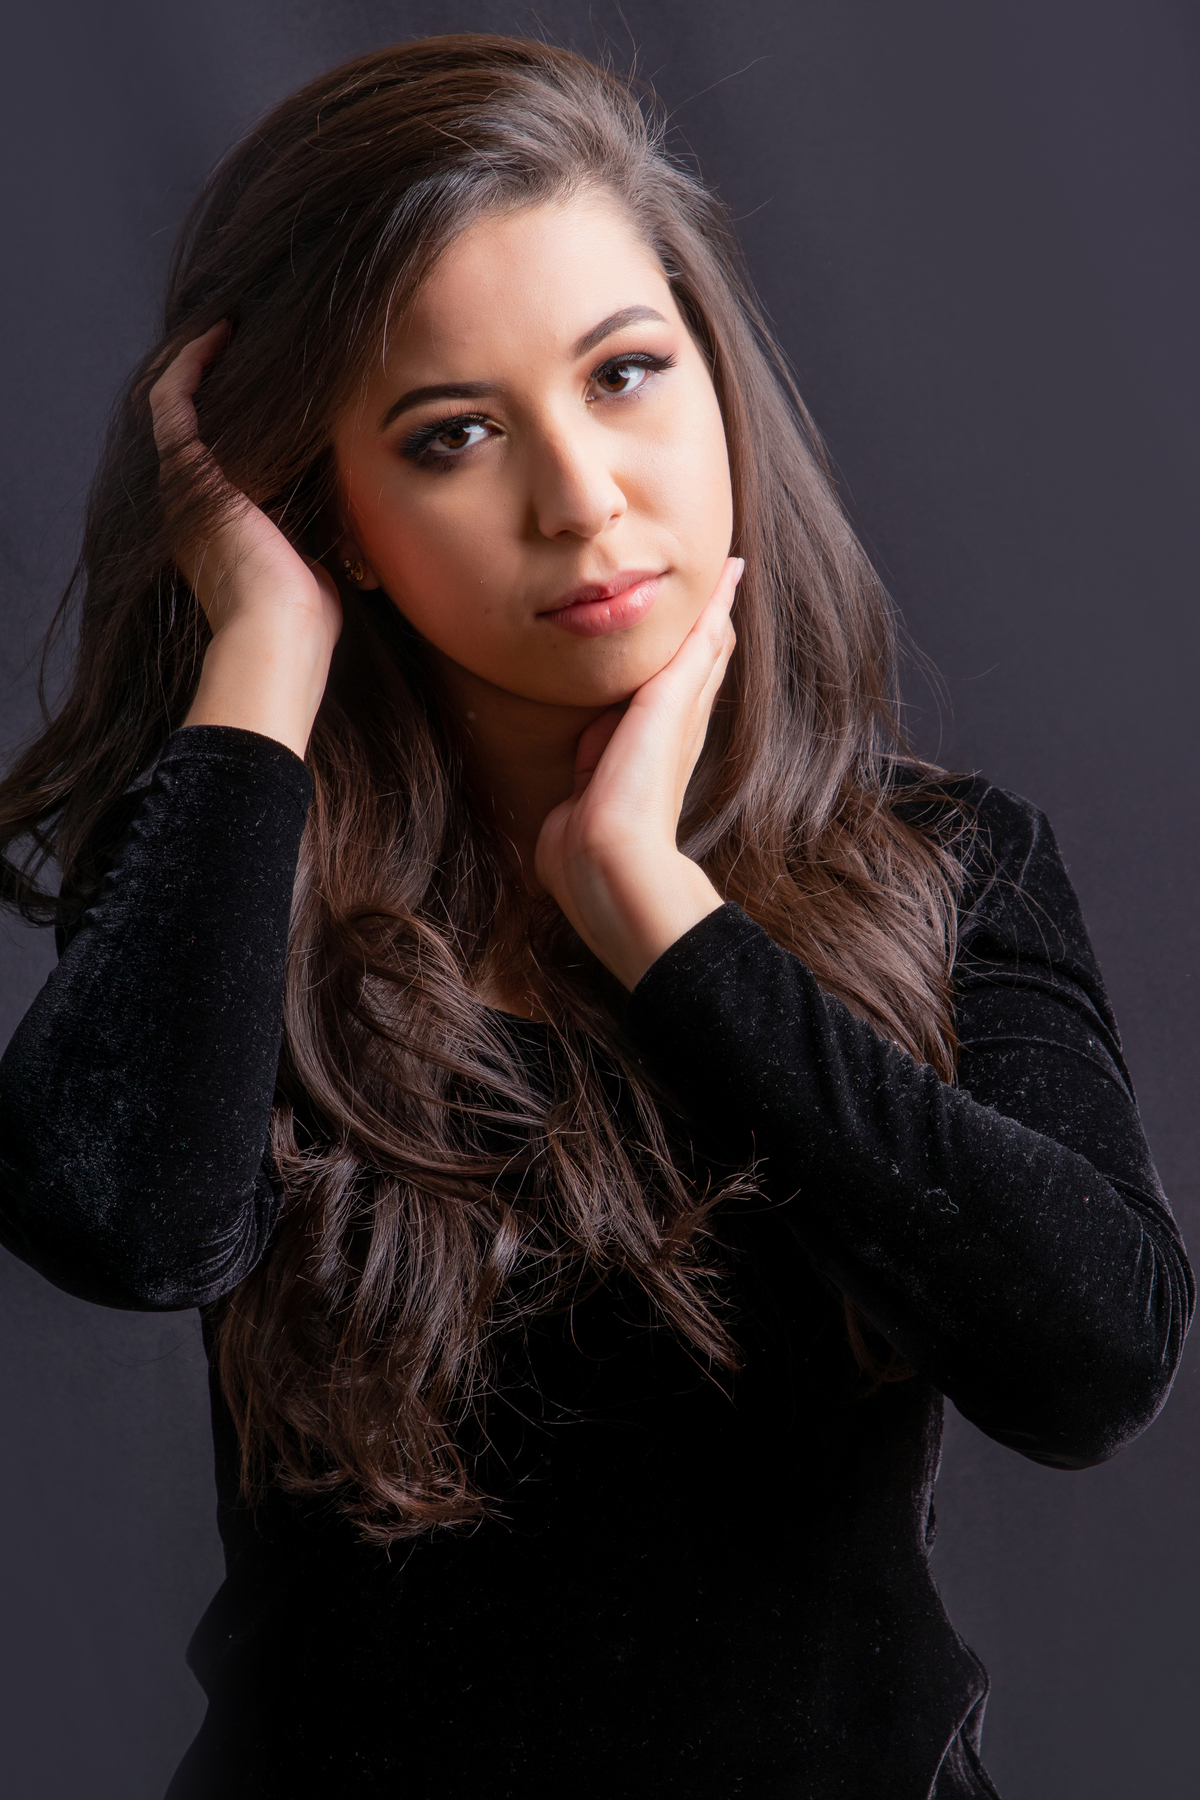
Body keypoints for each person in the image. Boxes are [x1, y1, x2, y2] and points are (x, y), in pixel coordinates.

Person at [0, 33, 1190, 1800]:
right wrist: (259, 652)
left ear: (715, 379)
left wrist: (666, 923)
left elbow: (1093, 1362)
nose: (580, 499)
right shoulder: (246, 867)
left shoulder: (946, 863)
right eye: (454, 435)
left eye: (624, 373)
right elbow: (124, 1224)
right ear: (335, 515)